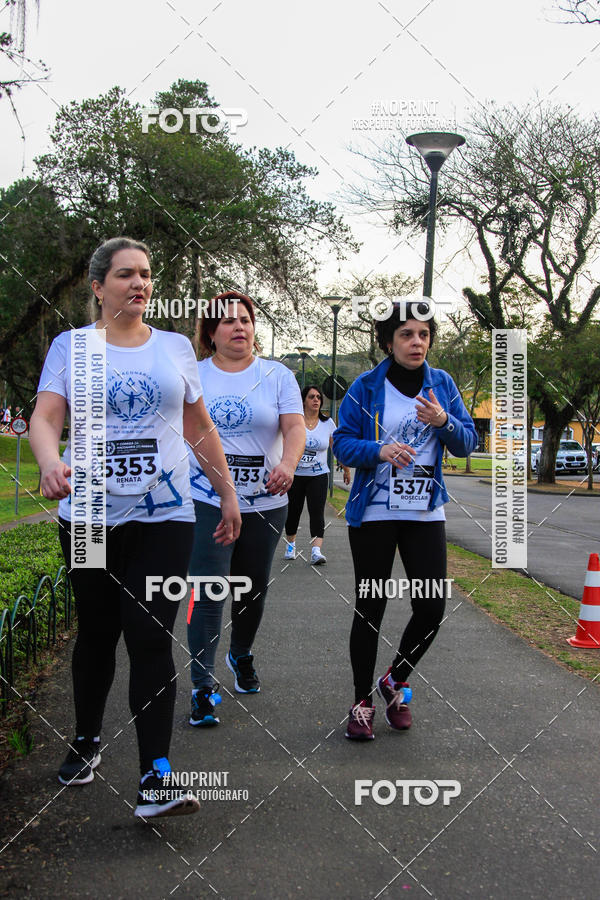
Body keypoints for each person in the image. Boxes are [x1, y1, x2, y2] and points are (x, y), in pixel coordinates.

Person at [30, 237, 241, 817]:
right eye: (125, 274)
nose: (140, 283)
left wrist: (227, 492)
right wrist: (48, 462)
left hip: (164, 517)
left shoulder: (175, 347)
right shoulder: (72, 347)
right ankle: (87, 739)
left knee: (149, 635)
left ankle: (155, 775)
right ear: (98, 286)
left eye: (146, 273)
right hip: (89, 518)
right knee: (98, 633)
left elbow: (199, 427)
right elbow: (46, 416)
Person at [332, 301, 477, 741]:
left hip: (424, 511)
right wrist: (378, 450)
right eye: (406, 334)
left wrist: (443, 420)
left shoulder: (442, 384)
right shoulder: (366, 386)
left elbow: (467, 442)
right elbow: (342, 443)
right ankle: (361, 703)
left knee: (431, 607)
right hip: (374, 511)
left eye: (424, 335)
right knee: (371, 607)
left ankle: (395, 679)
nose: (417, 342)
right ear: (388, 342)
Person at [186, 291, 305, 726]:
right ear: (211, 333)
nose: (239, 327)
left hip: (265, 503)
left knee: (251, 590)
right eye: (228, 321)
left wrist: (288, 465)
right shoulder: (195, 375)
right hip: (206, 499)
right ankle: (202, 685)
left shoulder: (277, 375)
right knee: (208, 589)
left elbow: (295, 427)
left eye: (246, 320)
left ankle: (240, 653)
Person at [283, 384, 350, 565]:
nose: (316, 400)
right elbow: (283, 443)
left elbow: (336, 447)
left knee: (317, 512)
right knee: (293, 511)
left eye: (318, 397)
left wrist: (345, 469)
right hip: (295, 475)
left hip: (318, 475)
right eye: (311, 397)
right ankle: (290, 546)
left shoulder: (328, 423)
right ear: (303, 401)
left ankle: (316, 551)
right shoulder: (295, 421)